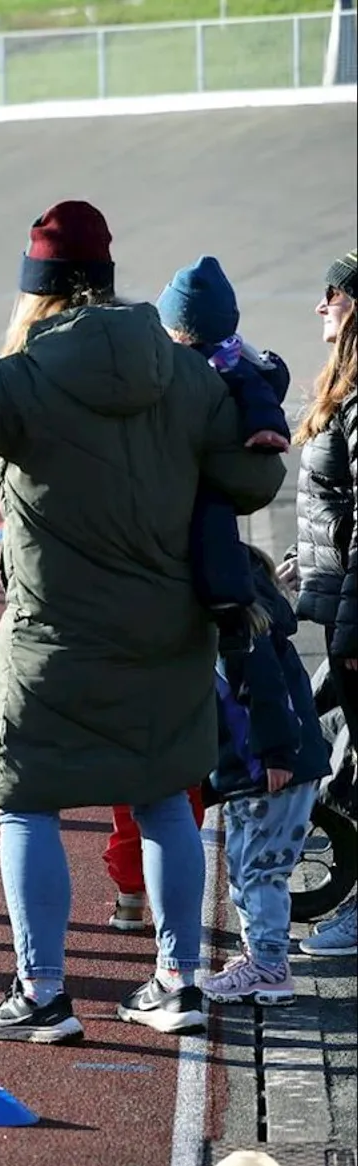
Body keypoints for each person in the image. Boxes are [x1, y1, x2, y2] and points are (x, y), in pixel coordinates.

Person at [0, 201, 286, 1041]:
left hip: (53, 637)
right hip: (168, 632)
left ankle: (41, 994)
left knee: (25, 801)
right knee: (163, 800)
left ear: (36, 291)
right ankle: (177, 981)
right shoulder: (184, 375)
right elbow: (252, 483)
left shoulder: (25, 379)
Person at [103, 255, 293, 932]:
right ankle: (158, 911)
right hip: (196, 595)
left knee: (145, 754)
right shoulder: (235, 378)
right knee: (181, 753)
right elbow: (262, 440)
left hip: (147, 587)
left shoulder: (160, 380)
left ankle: (142, 896)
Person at [198, 547, 330, 1005]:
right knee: (245, 864)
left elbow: (268, 692)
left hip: (272, 767)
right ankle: (260, 955)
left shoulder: (241, 632)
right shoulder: (249, 620)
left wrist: (275, 753)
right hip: (257, 768)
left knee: (261, 869)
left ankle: (271, 966)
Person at [284, 248, 358, 959]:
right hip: (340, 607)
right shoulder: (345, 386)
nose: (320, 305)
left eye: (331, 293)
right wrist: (299, 564)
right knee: (323, 733)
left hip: (354, 615)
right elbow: (336, 510)